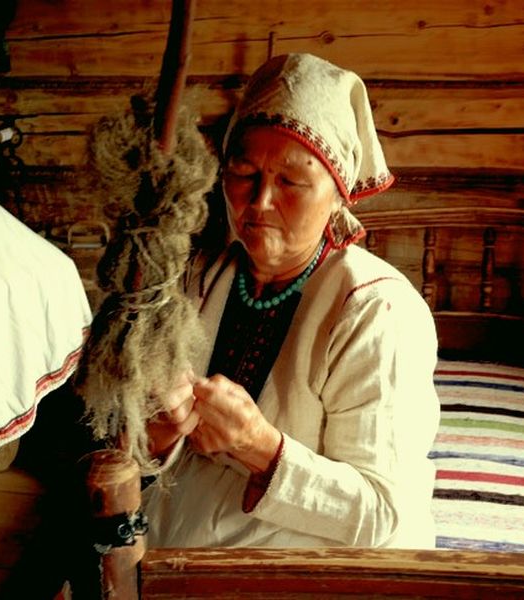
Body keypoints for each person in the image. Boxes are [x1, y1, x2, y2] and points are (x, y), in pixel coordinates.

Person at [142, 53, 441, 548]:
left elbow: (382, 514)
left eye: (291, 182)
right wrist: (161, 432)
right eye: (243, 173)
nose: (258, 203)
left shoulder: (376, 311)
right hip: (175, 539)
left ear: (337, 195)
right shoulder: (200, 273)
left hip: (302, 562)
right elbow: (141, 446)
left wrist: (259, 446)